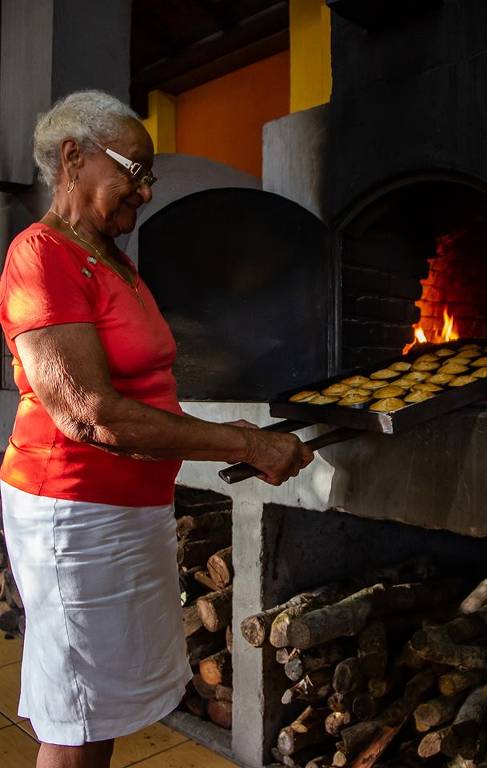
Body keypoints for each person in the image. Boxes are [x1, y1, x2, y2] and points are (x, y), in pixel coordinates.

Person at [0, 90, 313, 768]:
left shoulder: (110, 258)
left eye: (150, 176)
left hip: (125, 509)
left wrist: (223, 423)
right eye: (135, 170)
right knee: (76, 712)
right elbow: (89, 413)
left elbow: (141, 384)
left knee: (100, 701)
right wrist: (248, 443)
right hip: (72, 511)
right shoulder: (40, 255)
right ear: (74, 157)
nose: (144, 190)